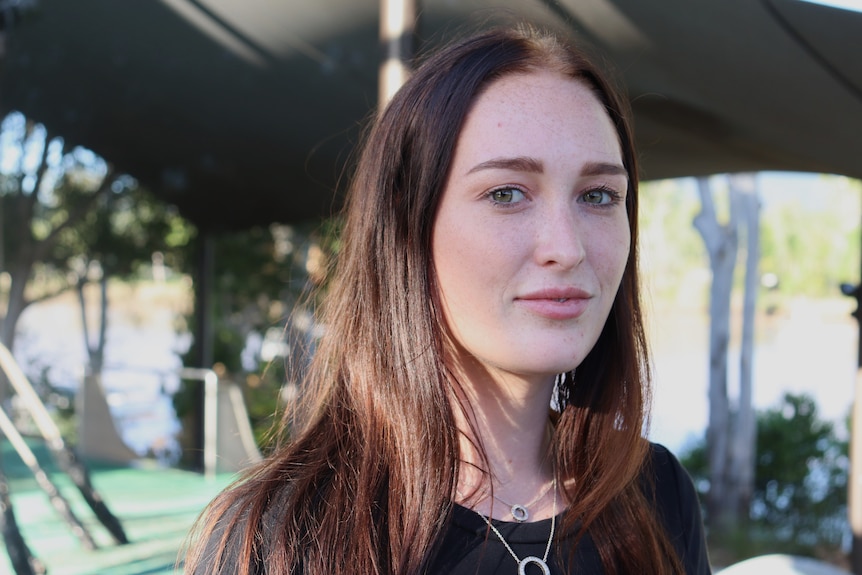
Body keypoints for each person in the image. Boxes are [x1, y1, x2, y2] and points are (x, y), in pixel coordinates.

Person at [183, 23, 712, 575]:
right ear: (406, 225)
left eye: (599, 195)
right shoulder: (280, 539)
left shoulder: (655, 495)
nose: (566, 247)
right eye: (506, 193)